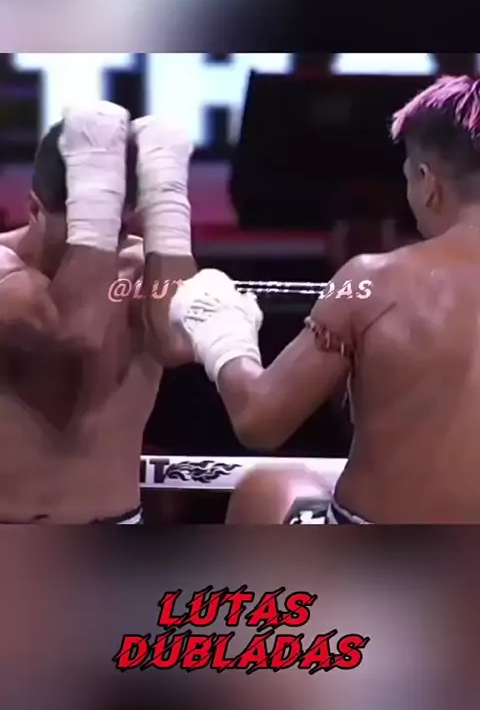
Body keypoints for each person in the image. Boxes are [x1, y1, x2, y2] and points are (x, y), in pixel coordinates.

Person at [170, 74, 480, 524]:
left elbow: (260, 421)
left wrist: (223, 332)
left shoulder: (373, 282)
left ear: (426, 182)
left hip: (378, 554)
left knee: (268, 491)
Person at [0, 102, 195, 523]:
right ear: (34, 210)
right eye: (86, 228)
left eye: (118, 228)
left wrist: (168, 206)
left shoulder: (144, 267)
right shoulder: (5, 270)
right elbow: (76, 332)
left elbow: (178, 343)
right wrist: (97, 209)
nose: (107, 245)